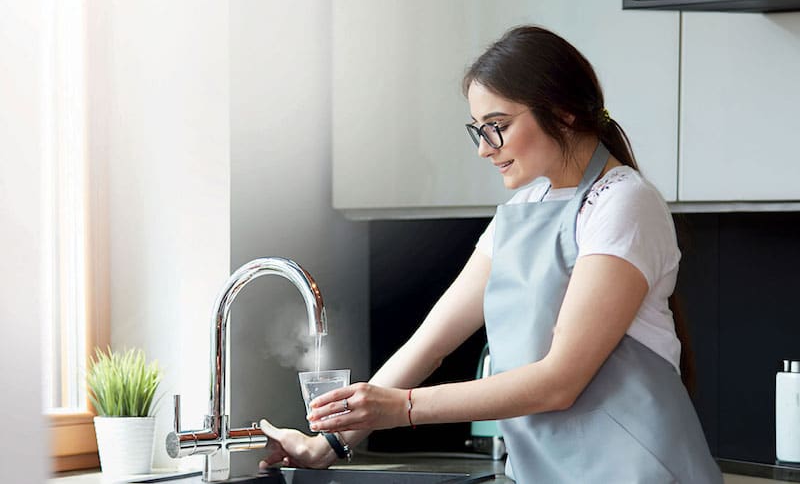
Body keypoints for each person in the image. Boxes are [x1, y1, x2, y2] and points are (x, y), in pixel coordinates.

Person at [258, 25, 722, 483]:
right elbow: (430, 344)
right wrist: (328, 444)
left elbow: (560, 381)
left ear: (561, 113)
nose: (484, 149)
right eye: (478, 130)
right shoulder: (520, 212)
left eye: (497, 127)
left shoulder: (622, 203)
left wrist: (403, 409)